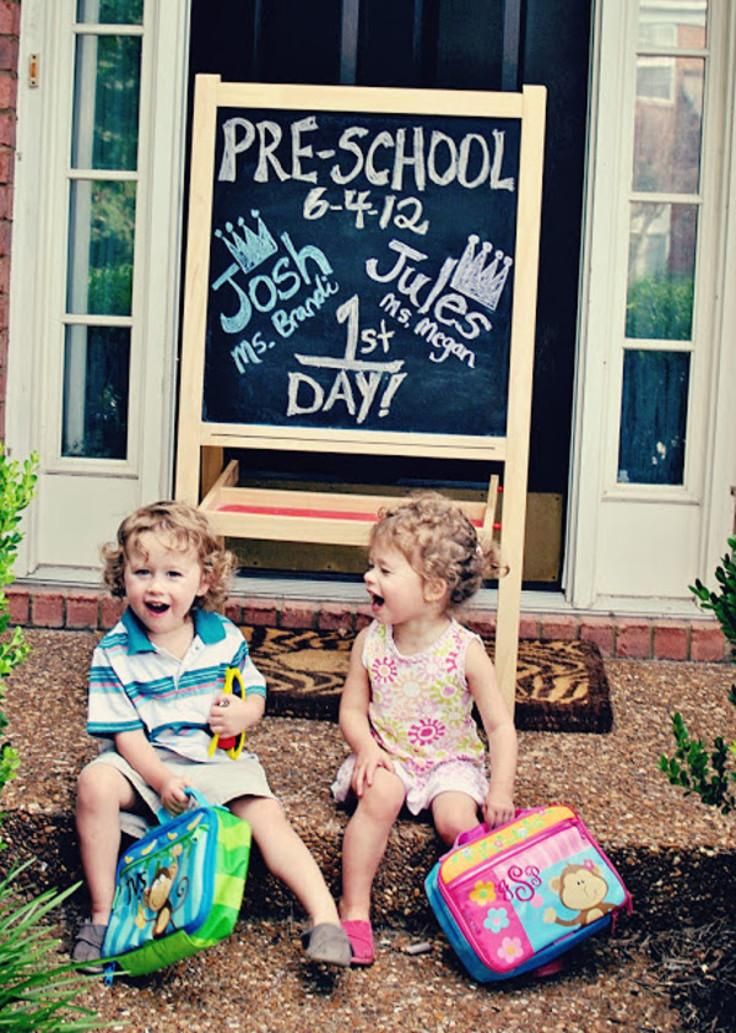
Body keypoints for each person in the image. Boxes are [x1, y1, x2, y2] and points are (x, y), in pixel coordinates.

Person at [73, 500, 351, 969]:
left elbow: (254, 691)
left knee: (267, 816)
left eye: (172, 575)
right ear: (123, 577)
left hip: (215, 762)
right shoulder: (114, 653)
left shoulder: (223, 636)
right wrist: (160, 780)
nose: (155, 587)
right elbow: (126, 737)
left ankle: (325, 918)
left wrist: (244, 714)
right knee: (94, 783)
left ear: (203, 581)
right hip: (147, 763)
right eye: (142, 572)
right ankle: (102, 916)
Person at [332, 492, 518, 966]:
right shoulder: (369, 644)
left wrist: (499, 790)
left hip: (448, 762)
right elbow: (352, 711)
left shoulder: (465, 650)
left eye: (385, 571)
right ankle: (354, 909)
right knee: (381, 796)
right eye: (371, 566)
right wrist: (367, 749)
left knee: (455, 818)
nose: (369, 578)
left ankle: (492, 907)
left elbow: (498, 726)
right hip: (389, 754)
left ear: (433, 588)